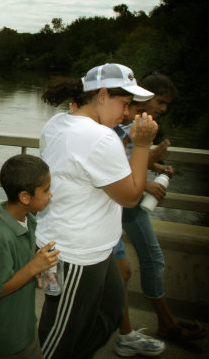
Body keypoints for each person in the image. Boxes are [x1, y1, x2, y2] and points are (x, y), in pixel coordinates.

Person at [35, 63, 158, 359]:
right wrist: (142, 145)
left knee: (111, 310)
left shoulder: (57, 123)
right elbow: (130, 197)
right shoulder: (101, 138)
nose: (127, 114)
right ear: (102, 95)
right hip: (73, 255)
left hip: (66, 247)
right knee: (57, 336)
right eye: (125, 103)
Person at [113, 72, 206, 356]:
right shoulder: (119, 120)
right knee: (121, 271)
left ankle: (165, 321)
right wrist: (150, 164)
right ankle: (125, 332)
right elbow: (112, 165)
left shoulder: (141, 122)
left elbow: (130, 158)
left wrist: (154, 167)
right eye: (161, 102)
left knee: (153, 258)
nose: (163, 109)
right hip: (115, 202)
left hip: (133, 199)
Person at [0, 154, 58, 359]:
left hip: (24, 325)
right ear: (25, 197)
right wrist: (33, 268)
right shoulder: (1, 235)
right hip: (5, 336)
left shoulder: (27, 220)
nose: (50, 195)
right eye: (46, 190)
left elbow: (21, 267)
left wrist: (38, 273)